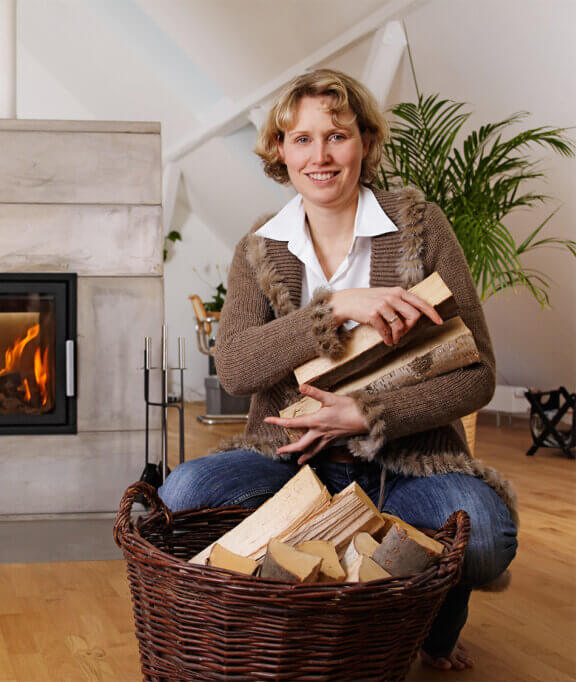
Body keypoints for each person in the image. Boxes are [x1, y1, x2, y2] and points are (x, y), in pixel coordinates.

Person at [159, 69, 517, 672]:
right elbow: (236, 366)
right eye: (300, 139)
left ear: (366, 143)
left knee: (483, 535)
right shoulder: (259, 245)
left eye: (337, 136)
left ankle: (427, 616)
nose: (319, 156)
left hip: (409, 464)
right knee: (183, 493)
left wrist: (365, 414)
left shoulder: (420, 225)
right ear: (279, 150)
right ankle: (311, 604)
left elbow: (477, 375)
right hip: (288, 461)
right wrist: (335, 308)